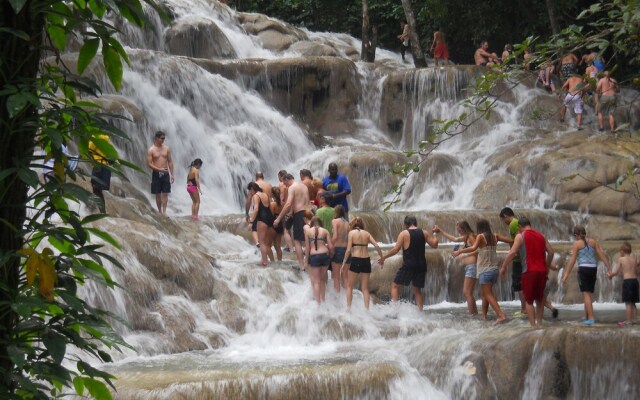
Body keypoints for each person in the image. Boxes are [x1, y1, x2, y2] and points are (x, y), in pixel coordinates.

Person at [500, 217, 555, 327]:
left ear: (520, 226)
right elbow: (551, 252)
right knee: (540, 300)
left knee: (528, 301)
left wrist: (504, 266)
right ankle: (539, 323)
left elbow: (512, 252)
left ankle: (532, 325)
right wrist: (547, 265)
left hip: (529, 271)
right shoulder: (541, 236)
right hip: (542, 271)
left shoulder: (520, 236)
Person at [378, 216, 438, 311]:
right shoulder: (424, 232)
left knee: (395, 286)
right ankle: (420, 312)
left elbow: (395, 249)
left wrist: (384, 257)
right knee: (417, 290)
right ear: (416, 223)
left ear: (406, 224)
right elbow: (435, 245)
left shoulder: (404, 234)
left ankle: (395, 310)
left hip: (409, 265)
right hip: (421, 265)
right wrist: (435, 233)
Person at [453, 219, 506, 324]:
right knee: (485, 294)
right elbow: (510, 240)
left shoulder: (481, 236)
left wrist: (460, 251)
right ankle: (484, 317)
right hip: (494, 269)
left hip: (485, 270)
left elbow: (473, 248)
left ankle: (500, 315)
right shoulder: (495, 236)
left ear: (480, 228)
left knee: (487, 294)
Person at [560, 225, 612, 326]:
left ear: (577, 235)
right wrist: (609, 268)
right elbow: (602, 255)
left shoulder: (577, 244)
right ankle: (587, 317)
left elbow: (572, 260)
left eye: (575, 235)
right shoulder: (593, 242)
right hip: (593, 269)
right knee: (587, 294)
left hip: (583, 269)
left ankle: (591, 318)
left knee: (586, 294)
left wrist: (566, 274)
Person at [432, 221, 478, 316]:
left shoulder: (471, 237)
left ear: (465, 228)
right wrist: (441, 231)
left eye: (460, 230)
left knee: (466, 292)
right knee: (468, 292)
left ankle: (471, 314)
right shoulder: (466, 237)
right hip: (469, 267)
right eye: (458, 230)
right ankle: (474, 313)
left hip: (472, 267)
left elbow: (477, 250)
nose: (459, 232)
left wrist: (463, 254)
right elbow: (454, 239)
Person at [342, 217, 383, 310]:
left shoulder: (351, 233)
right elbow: (376, 245)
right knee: (365, 288)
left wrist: (344, 263)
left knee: (350, 286)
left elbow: (348, 250)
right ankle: (367, 310)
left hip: (356, 259)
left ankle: (348, 309)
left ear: (352, 225)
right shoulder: (367, 233)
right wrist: (382, 258)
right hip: (366, 260)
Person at [274, 173, 310, 270]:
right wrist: (291, 212)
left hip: (299, 214)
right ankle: (307, 263)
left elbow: (288, 203)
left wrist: (278, 218)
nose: (285, 185)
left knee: (297, 241)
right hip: (309, 214)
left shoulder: (292, 188)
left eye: (284, 183)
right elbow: (304, 201)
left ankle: (302, 266)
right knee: (308, 240)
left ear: (286, 179)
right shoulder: (303, 186)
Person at [498, 207, 526, 317]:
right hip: (520, 258)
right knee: (521, 285)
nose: (503, 222)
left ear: (505, 216)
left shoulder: (513, 224)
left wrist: (501, 238)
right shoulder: (516, 223)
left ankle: (524, 309)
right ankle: (524, 308)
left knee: (519, 285)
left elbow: (516, 241)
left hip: (518, 258)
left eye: (503, 220)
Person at [608, 242, 639, 327]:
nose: (619, 253)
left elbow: (617, 272)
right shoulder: (634, 259)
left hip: (627, 282)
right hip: (635, 281)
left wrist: (610, 275)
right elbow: (637, 272)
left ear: (623, 251)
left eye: (620, 251)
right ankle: (635, 320)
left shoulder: (621, 259)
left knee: (628, 302)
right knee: (633, 302)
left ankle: (628, 321)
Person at [304, 216, 333, 304]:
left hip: (314, 256)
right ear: (320, 223)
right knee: (323, 280)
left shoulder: (308, 232)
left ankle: (318, 303)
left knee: (316, 281)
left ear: (312, 223)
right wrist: (331, 255)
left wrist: (306, 261)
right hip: (325, 255)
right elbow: (331, 246)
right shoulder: (325, 231)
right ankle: (323, 300)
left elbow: (307, 248)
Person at [247, 182, 275, 267]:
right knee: (266, 243)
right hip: (269, 217)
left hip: (262, 219)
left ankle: (265, 261)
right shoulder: (265, 194)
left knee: (261, 242)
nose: (249, 193)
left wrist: (251, 221)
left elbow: (256, 209)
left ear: (252, 189)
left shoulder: (256, 196)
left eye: (249, 191)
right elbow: (270, 206)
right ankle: (270, 260)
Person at [147, 131, 174, 215]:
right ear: (157, 138)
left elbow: (170, 161)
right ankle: (159, 211)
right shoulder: (151, 150)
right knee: (158, 193)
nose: (163, 140)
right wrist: (159, 169)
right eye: (162, 138)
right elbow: (149, 164)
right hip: (156, 173)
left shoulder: (166, 148)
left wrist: (172, 174)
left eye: (164, 138)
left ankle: (164, 212)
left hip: (165, 172)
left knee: (165, 193)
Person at [90, 134, 112, 213]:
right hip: (105, 165)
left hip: (98, 165)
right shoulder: (106, 137)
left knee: (96, 188)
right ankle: (100, 210)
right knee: (97, 189)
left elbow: (90, 150)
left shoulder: (94, 137)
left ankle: (99, 210)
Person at [331, 205, 350, 293]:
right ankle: (348, 299)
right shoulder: (347, 223)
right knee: (345, 276)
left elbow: (335, 236)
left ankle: (337, 301)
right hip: (347, 250)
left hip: (337, 249)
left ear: (336, 212)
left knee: (336, 277)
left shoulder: (335, 221)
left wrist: (329, 244)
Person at [270, 187, 284, 261]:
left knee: (268, 245)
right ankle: (280, 261)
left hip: (274, 224)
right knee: (278, 246)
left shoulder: (272, 204)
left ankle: (272, 261)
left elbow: (271, 216)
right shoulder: (282, 204)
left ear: (272, 194)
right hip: (280, 224)